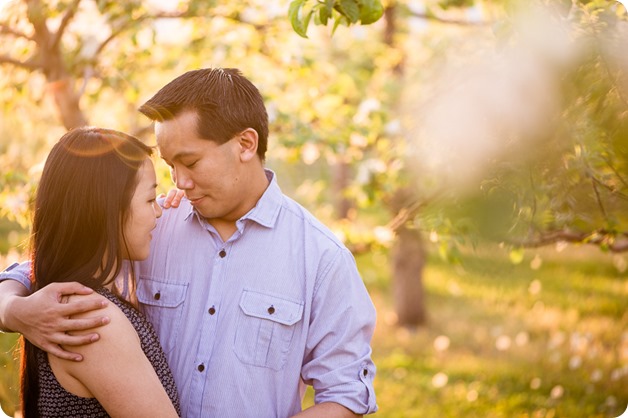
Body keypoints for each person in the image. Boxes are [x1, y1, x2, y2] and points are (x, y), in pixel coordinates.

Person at [0, 68, 377, 417]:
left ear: (246, 144)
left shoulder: (322, 259)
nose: (178, 182)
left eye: (190, 162)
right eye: (169, 166)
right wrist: (13, 312)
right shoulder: (150, 225)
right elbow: (54, 263)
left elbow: (345, 395)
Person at [15, 127, 180, 417]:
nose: (158, 212)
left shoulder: (62, 297)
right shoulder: (92, 320)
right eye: (149, 199)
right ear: (108, 208)